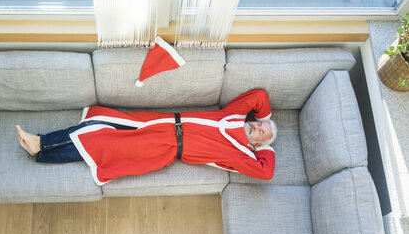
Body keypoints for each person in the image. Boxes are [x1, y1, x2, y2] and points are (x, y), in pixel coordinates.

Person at [16, 89, 277, 186]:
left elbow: (266, 172)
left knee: (103, 146)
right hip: (161, 122)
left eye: (260, 133)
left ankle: (42, 144)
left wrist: (268, 148)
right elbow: (260, 97)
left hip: (166, 146)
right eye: (259, 123)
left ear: (257, 145)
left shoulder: (241, 154)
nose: (255, 127)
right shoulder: (232, 116)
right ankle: (41, 150)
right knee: (101, 123)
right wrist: (267, 116)